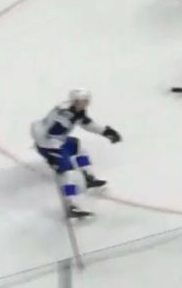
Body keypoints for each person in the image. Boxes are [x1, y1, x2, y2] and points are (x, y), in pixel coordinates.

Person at [30, 88, 121, 218]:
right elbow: (50, 133)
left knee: (78, 147)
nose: (84, 104)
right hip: (50, 146)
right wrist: (53, 156)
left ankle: (88, 177)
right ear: (74, 101)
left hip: (56, 142)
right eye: (82, 102)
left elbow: (87, 124)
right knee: (65, 173)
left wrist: (106, 132)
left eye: (86, 101)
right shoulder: (65, 116)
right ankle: (70, 205)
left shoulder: (74, 111)